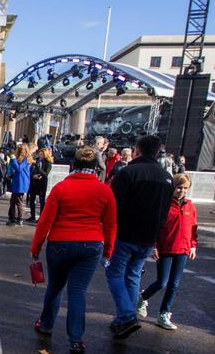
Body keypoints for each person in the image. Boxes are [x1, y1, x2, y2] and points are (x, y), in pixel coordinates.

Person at [31, 147, 117, 354]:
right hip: (91, 244)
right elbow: (111, 224)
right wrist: (108, 250)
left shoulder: (61, 188)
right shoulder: (104, 190)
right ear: (96, 167)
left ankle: (46, 324)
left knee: (55, 286)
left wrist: (36, 246)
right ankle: (76, 339)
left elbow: (45, 221)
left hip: (60, 243)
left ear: (74, 165)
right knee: (78, 292)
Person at [105, 135, 174, 340]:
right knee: (133, 276)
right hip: (148, 236)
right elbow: (165, 212)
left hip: (126, 234)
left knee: (115, 275)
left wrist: (109, 231)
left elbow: (115, 206)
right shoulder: (167, 178)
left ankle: (126, 316)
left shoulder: (129, 172)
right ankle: (123, 318)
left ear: (137, 150)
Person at [136, 173, 198, 331]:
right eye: (179, 187)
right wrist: (155, 246)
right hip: (166, 248)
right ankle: (143, 297)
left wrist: (193, 245)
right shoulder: (164, 205)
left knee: (174, 284)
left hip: (183, 250)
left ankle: (164, 313)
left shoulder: (190, 206)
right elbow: (156, 227)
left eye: (185, 188)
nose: (181, 191)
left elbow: (193, 228)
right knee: (162, 282)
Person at [6, 144, 32, 226]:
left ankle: (19, 219)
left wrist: (13, 160)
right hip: (18, 182)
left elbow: (19, 169)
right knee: (13, 201)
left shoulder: (25, 159)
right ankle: (13, 218)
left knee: (18, 202)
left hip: (21, 183)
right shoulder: (22, 159)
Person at [26, 147, 53, 223]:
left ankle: (41, 217)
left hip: (42, 183)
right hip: (34, 182)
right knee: (32, 199)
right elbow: (31, 170)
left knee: (42, 201)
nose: (40, 156)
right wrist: (33, 175)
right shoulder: (37, 160)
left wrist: (38, 169)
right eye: (39, 154)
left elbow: (45, 174)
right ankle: (32, 216)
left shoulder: (48, 162)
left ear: (45, 154)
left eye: (41, 154)